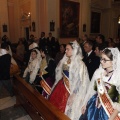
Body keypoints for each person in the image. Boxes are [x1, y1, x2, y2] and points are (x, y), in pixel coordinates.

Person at [49, 41, 90, 120]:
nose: (65, 51)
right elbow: (61, 74)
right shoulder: (65, 61)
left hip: (72, 90)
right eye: (66, 49)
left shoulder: (80, 64)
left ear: (74, 50)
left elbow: (81, 81)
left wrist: (74, 94)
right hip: (62, 86)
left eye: (68, 49)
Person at [80, 48, 120, 120]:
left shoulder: (117, 77)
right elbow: (92, 90)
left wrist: (111, 118)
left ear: (113, 61)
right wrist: (85, 104)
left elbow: (119, 102)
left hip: (110, 111)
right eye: (101, 58)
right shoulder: (98, 72)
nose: (101, 61)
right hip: (94, 106)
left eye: (105, 60)